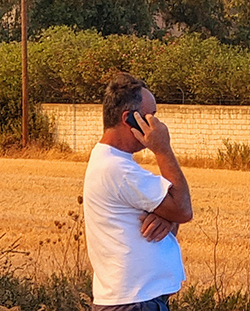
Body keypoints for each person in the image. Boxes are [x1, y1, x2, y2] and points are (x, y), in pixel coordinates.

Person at [83, 72, 193, 311]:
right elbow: (183, 208)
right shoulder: (118, 169)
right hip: (134, 302)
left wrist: (167, 217)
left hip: (134, 300)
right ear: (128, 118)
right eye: (150, 116)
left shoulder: (111, 162)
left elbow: (175, 213)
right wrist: (163, 149)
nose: (157, 125)